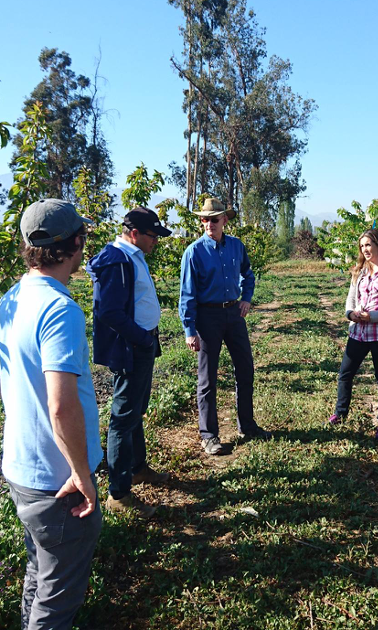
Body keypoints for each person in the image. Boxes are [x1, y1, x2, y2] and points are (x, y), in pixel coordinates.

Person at [0, 199, 102, 630]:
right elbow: (61, 404)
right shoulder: (59, 309)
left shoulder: (9, 301)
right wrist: (81, 474)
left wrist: (23, 414)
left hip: (21, 468)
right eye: (83, 237)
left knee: (40, 569)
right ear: (75, 243)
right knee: (57, 598)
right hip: (58, 484)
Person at [87, 206, 172, 519]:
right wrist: (141, 338)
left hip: (142, 342)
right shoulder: (116, 260)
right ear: (134, 233)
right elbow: (109, 312)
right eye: (152, 236)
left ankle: (137, 468)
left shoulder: (133, 256)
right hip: (132, 347)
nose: (156, 242)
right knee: (123, 417)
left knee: (137, 409)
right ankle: (119, 493)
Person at [179, 197, 271, 455]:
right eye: (205, 219)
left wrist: (247, 299)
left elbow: (248, 274)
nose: (209, 223)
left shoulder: (236, 247)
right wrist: (190, 330)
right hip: (207, 319)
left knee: (245, 368)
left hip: (233, 314)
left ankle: (247, 425)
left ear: (225, 221)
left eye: (214, 219)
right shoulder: (194, 252)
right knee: (207, 379)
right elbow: (187, 294)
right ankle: (209, 435)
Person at [329, 229, 378, 440]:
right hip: (359, 332)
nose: (365, 249)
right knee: (346, 372)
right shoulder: (359, 271)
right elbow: (350, 300)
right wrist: (350, 314)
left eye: (368, 245)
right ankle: (340, 413)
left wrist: (375, 316)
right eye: (362, 246)